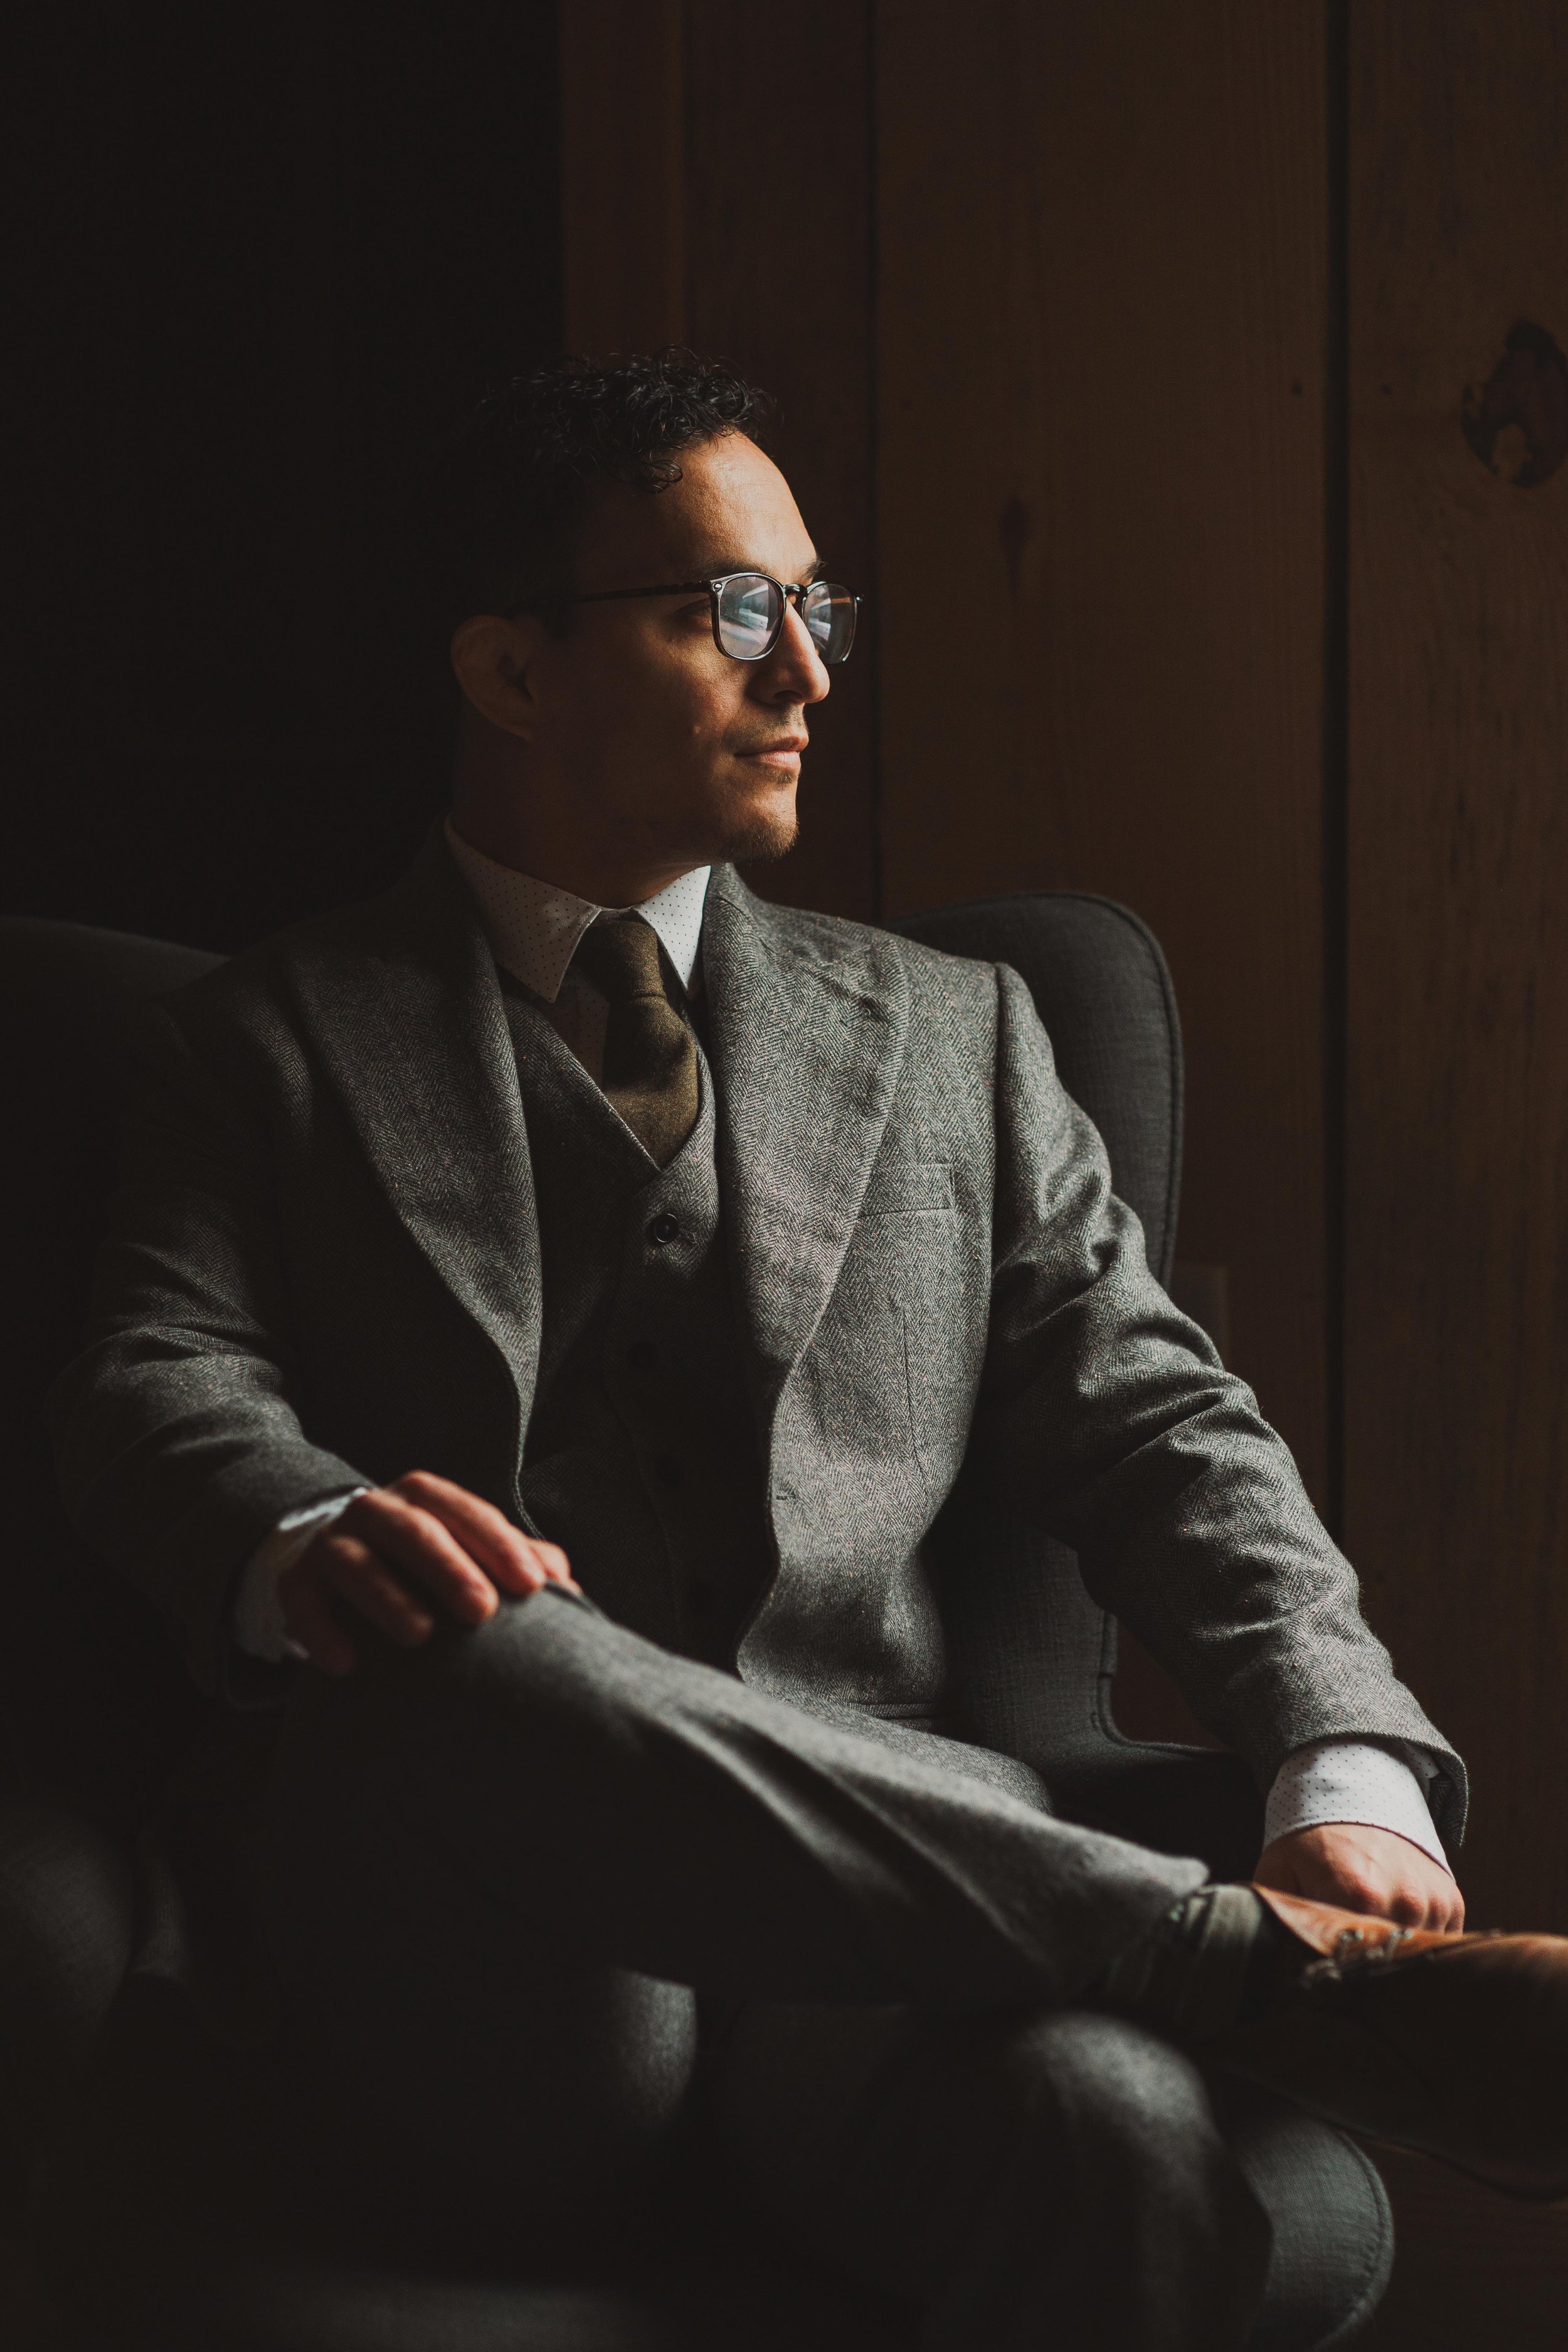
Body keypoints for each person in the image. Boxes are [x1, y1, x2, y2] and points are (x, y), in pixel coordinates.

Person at [51, 352, 1568, 2350]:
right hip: (492, 1981)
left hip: (889, 1953)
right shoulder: (255, 1045)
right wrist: (304, 1527)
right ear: (510, 674)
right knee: (470, 1626)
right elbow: (156, 1375)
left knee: (1112, 2134)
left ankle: (1198, 1974)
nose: (808, 676)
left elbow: (1157, 1417)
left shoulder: (962, 1037)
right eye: (729, 612)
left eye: (815, 608)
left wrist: (1337, 1738)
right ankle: (1228, 1963)